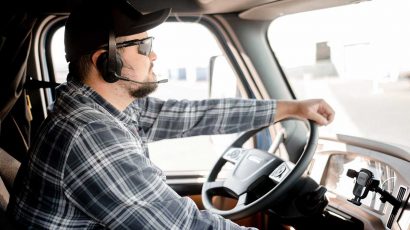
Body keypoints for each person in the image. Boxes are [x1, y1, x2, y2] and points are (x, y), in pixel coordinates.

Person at [9, 0, 335, 229]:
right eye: (142, 45)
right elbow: (183, 225)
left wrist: (290, 108)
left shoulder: (103, 108)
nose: (153, 54)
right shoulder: (89, 135)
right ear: (106, 62)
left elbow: (193, 115)